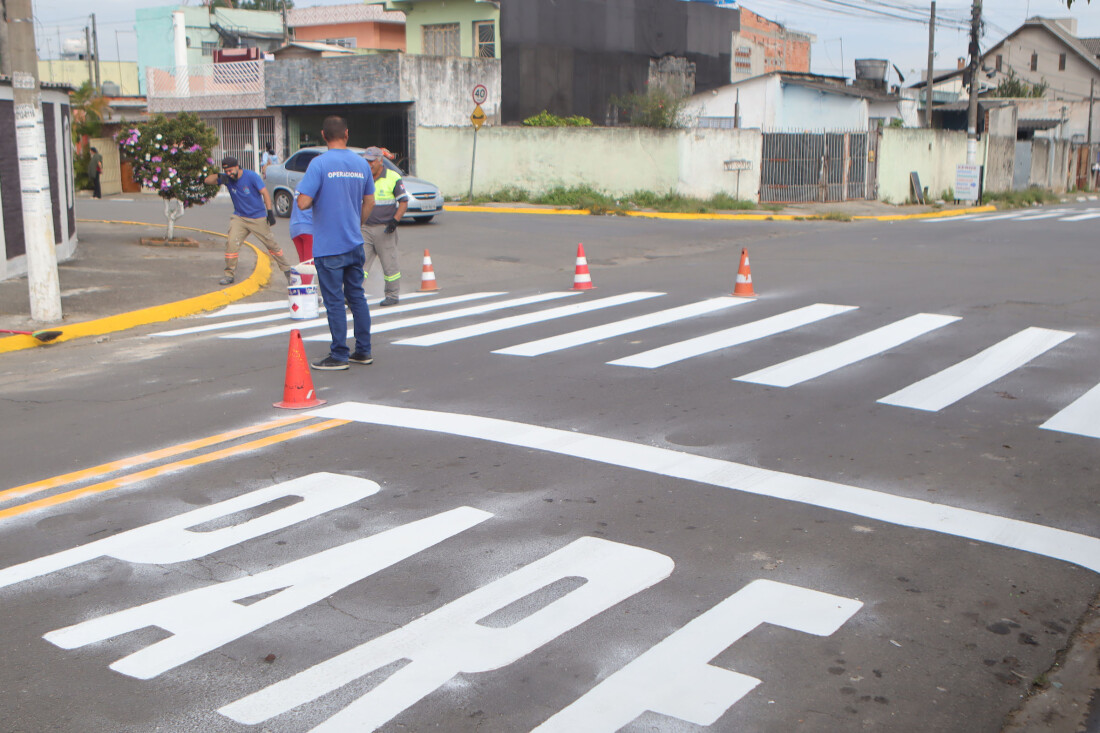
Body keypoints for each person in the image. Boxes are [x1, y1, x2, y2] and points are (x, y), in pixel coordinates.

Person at [296, 116, 376, 370]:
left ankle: (339, 354)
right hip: (354, 243)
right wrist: (356, 223)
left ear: (323, 135)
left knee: (333, 301)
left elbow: (302, 202)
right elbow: (370, 202)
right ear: (347, 134)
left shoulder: (319, 164)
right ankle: (363, 351)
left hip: (329, 246)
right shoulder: (361, 164)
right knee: (356, 297)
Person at [203, 155, 293, 286]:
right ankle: (229, 274)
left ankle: (287, 271)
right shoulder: (227, 179)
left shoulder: (251, 176)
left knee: (271, 245)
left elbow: (265, 193)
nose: (229, 173)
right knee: (231, 243)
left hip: (257, 217)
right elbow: (207, 181)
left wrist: (269, 212)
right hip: (239, 217)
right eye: (226, 171)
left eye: (230, 171)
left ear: (237, 166)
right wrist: (220, 176)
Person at [362, 146, 409, 307]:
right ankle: (354, 294)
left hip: (385, 228)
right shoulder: (363, 177)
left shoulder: (392, 177)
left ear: (380, 161)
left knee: (389, 265)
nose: (369, 164)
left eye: (372, 161)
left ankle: (392, 294)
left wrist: (395, 221)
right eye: (366, 161)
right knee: (359, 264)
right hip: (365, 228)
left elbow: (403, 201)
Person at [289, 186, 314, 285]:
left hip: (294, 227)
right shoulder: (316, 184)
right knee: (309, 264)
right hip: (308, 227)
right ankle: (306, 292)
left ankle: (306, 289)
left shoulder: (301, 184)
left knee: (304, 262)